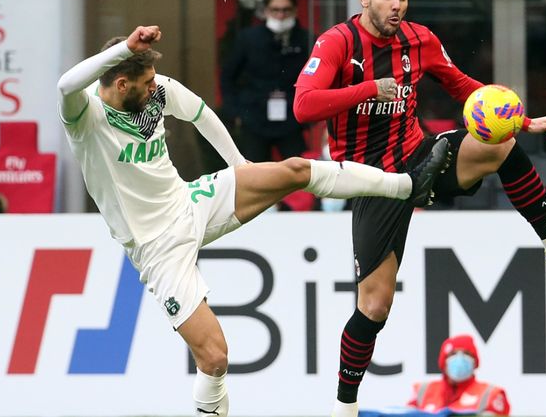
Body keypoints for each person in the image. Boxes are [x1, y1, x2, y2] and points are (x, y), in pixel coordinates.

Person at [56, 25, 452, 417]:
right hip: (156, 246)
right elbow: (65, 85)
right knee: (214, 358)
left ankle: (407, 186)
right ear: (121, 84)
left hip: (190, 202)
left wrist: (239, 166)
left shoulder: (155, 90)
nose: (154, 88)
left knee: (295, 169)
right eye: (144, 83)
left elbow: (199, 113)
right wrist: (124, 46)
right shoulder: (84, 116)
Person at [292, 0, 546, 417]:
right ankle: (345, 407)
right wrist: (368, 89)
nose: (396, 5)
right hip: (371, 181)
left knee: (499, 142)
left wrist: (523, 121)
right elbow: (303, 107)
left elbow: (464, 87)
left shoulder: (420, 39)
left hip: (420, 154)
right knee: (375, 306)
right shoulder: (337, 42)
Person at [220, 0, 311, 162]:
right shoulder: (248, 38)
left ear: (295, 11)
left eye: (286, 10)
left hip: (292, 117)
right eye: (275, 10)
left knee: (300, 169)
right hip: (254, 116)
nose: (280, 15)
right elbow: (228, 76)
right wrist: (236, 112)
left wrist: (308, 115)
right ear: (266, 11)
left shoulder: (306, 39)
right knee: (254, 172)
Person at [407, 334, 510, 415]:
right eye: (453, 354)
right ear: (444, 361)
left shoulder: (492, 394)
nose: (460, 358)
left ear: (475, 361)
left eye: (467, 354)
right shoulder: (421, 391)